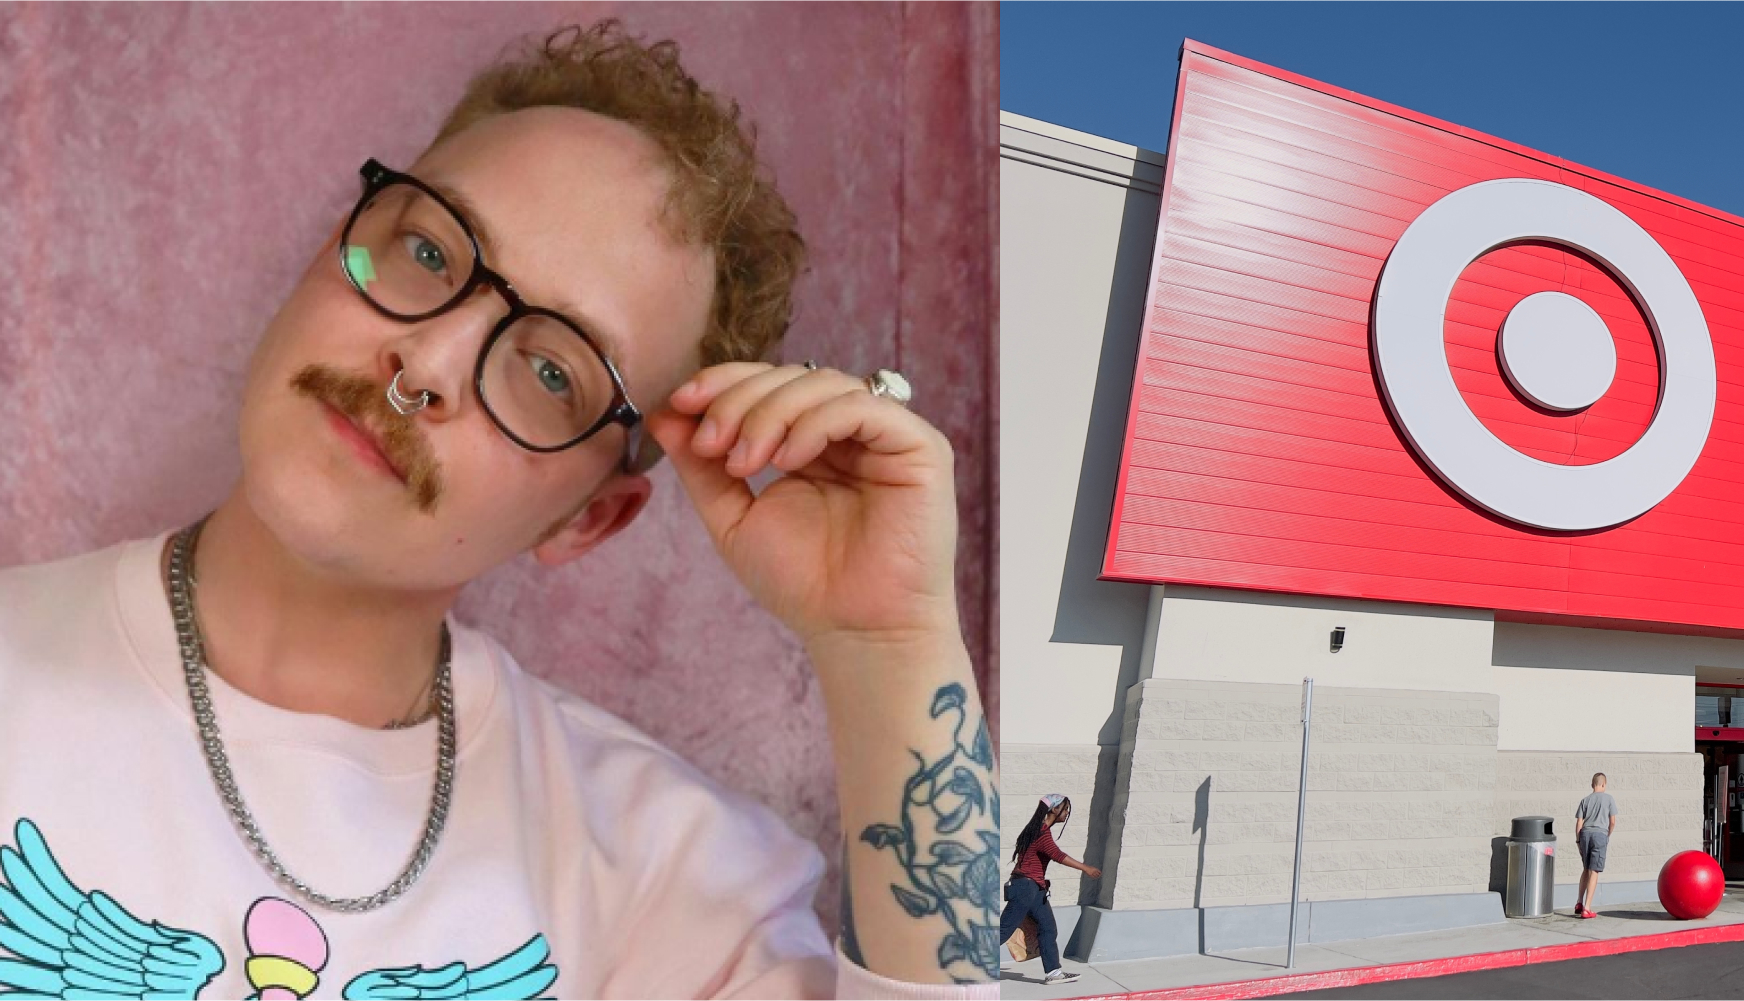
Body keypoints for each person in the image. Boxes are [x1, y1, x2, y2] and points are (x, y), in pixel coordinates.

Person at [0, 21, 997, 1000]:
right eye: (428, 252)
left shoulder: (668, 884)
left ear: (587, 519)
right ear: (332, 244)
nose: (422, 365)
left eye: (551, 370)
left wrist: (888, 645)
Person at [997, 795, 1099, 985]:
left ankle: (1053, 973)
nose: (1067, 813)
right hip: (1025, 888)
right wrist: (1086, 868)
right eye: (1065, 809)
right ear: (1053, 809)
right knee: (1003, 930)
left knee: (1048, 928)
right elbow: (1058, 855)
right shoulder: (1041, 832)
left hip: (1035, 890)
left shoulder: (1038, 830)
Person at [1574, 772, 1618, 918]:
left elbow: (1579, 822)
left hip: (1585, 834)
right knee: (1594, 871)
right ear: (1604, 784)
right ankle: (1587, 908)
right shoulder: (1609, 799)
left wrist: (1578, 840)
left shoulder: (1585, 800)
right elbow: (1612, 821)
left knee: (1586, 869)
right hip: (1600, 835)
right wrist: (1607, 835)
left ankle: (1579, 902)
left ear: (1592, 785)